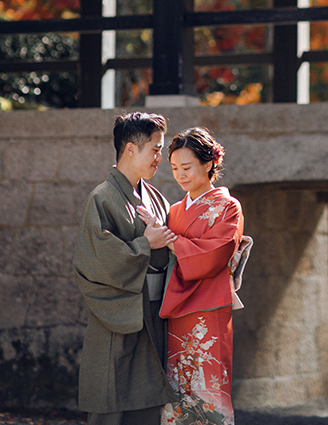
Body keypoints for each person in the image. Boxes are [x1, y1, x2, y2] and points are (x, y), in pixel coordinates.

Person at [73, 112, 180, 425]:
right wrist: (146, 245)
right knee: (113, 402)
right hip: (122, 313)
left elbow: (172, 249)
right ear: (130, 149)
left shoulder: (156, 198)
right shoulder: (102, 198)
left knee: (147, 405)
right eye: (156, 149)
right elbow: (96, 259)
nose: (161, 156)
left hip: (155, 313)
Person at [151, 127, 245, 425]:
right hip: (178, 306)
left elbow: (215, 254)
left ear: (209, 164)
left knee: (209, 381)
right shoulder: (175, 210)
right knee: (180, 383)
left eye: (187, 167)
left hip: (209, 306)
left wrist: (170, 240)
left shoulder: (227, 207)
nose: (181, 175)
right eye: (175, 168)